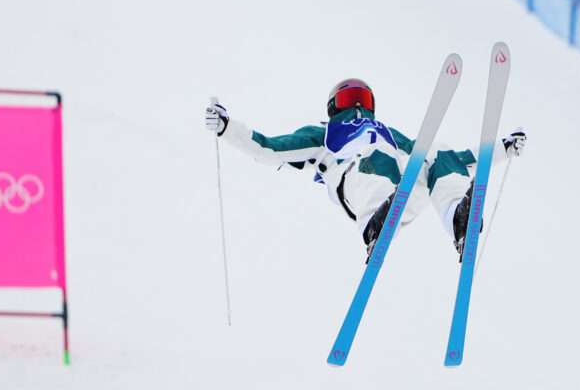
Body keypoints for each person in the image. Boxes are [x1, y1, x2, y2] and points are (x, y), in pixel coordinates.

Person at [204, 79, 526, 261]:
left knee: (437, 150)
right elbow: (269, 148)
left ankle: (459, 218)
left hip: (401, 197)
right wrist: (227, 128)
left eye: (363, 98)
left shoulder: (389, 134)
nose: (357, 106)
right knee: (376, 155)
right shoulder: (323, 136)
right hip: (361, 188)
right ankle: (375, 227)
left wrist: (502, 149)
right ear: (333, 107)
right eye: (348, 97)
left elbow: (456, 157)